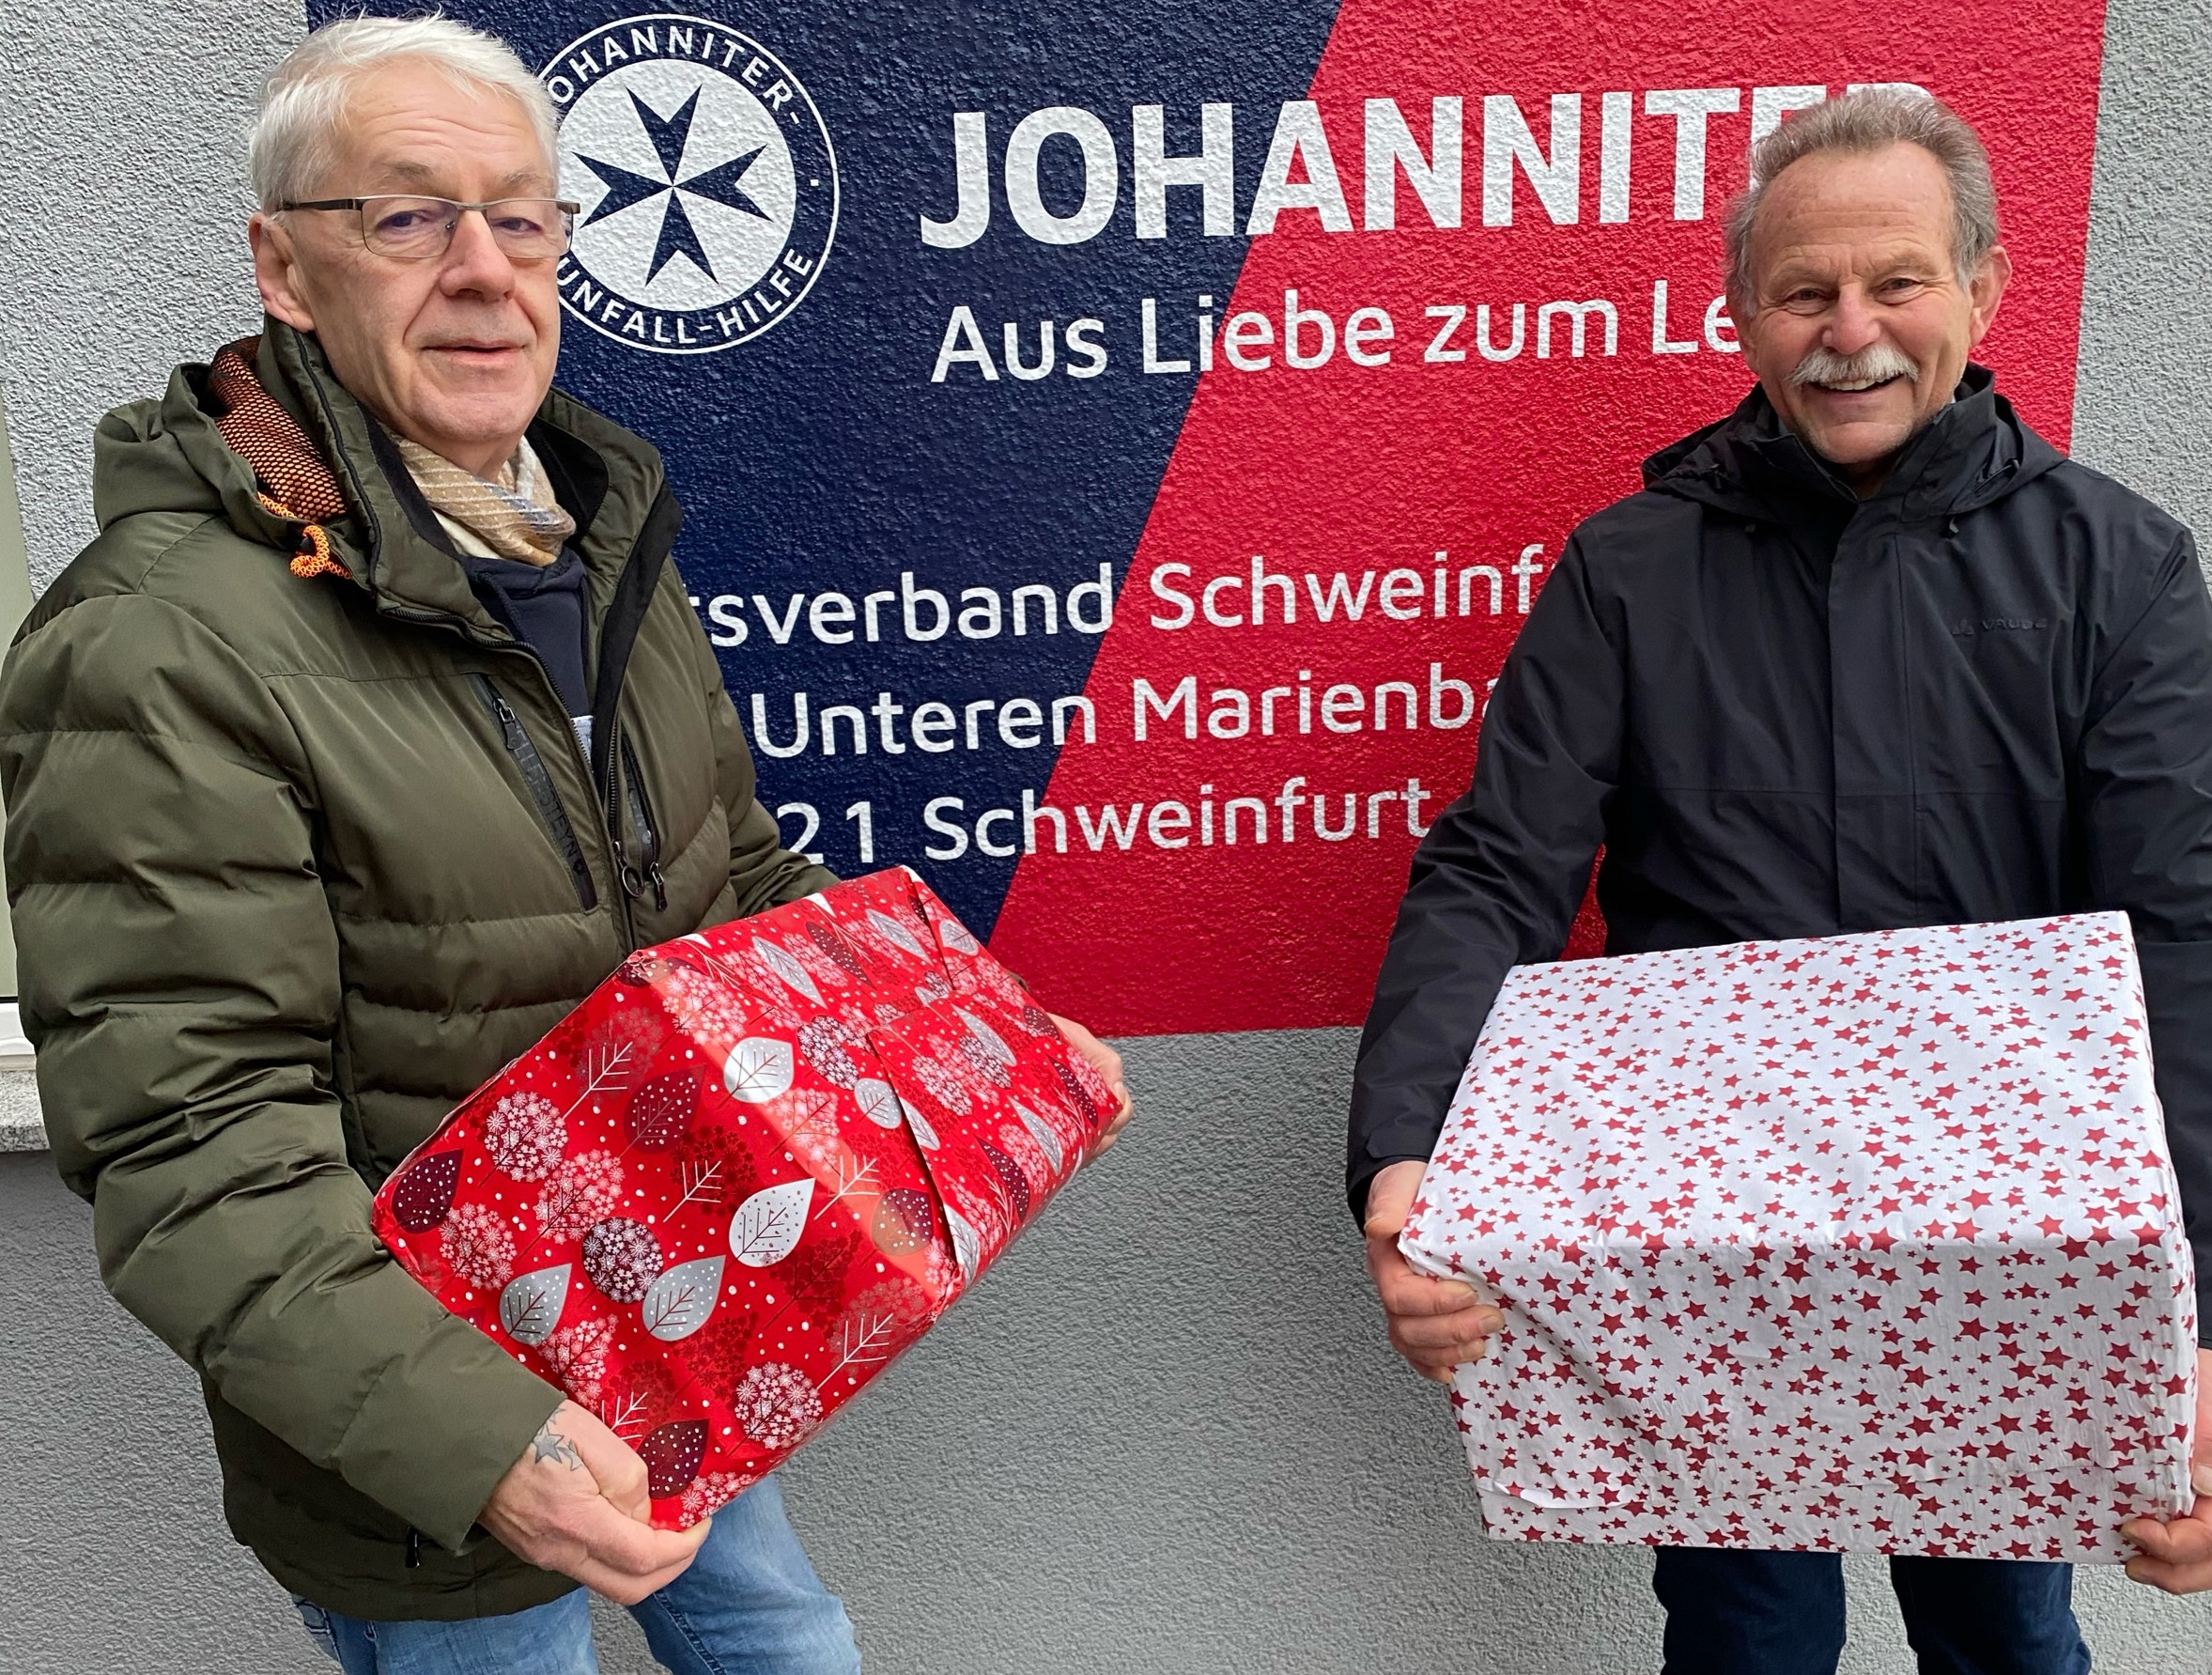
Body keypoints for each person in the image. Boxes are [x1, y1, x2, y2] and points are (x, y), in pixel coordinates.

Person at [0, 17, 1131, 1675]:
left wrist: (993, 1052)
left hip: (664, 1343)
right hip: (426, 1449)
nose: (482, 270)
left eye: (522, 218)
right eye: (406, 216)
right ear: (284, 270)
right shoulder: (158, 642)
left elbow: (744, 893)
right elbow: (194, 1141)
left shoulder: (596, 545)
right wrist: (485, 1443)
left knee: (799, 1653)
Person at [1349, 87, 2212, 1673]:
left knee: (2008, 1637)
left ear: (1985, 289)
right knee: (1745, 1641)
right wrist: (1410, 1151)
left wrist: (2200, 1320)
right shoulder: (1630, 568)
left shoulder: (2120, 569)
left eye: (1897, 283)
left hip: (2007, 1253)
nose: (1850, 333)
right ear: (1744, 312)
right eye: (1805, 293)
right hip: (1712, 1250)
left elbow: (2187, 946)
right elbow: (1497, 870)